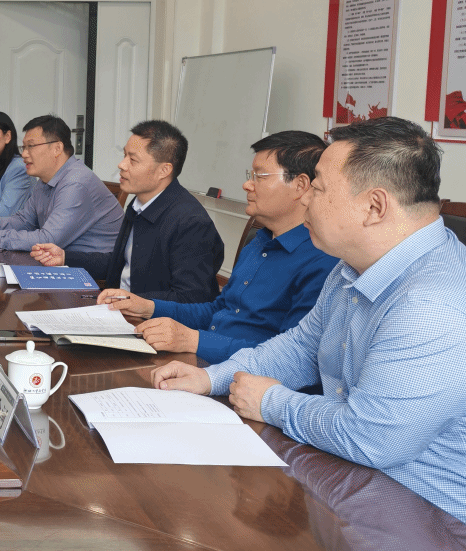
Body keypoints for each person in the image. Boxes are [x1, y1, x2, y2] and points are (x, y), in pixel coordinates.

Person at [151, 117, 466, 523]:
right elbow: (301, 347)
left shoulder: (431, 305)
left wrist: (271, 401)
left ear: (374, 207)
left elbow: (370, 438)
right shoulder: (352, 265)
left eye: (318, 188)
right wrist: (212, 378)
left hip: (422, 515)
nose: (307, 200)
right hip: (348, 481)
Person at [101, 131, 337, 362]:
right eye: (250, 175)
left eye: (260, 176)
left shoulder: (321, 261)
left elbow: (292, 359)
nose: (247, 185)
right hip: (208, 360)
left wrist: (194, 341)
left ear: (300, 185)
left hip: (243, 375)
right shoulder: (260, 242)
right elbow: (218, 310)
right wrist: (148, 307)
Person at [32, 120, 225, 303]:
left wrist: (128, 301)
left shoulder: (191, 223)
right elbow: (122, 263)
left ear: (164, 170)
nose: (122, 165)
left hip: (149, 320)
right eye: (124, 155)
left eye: (133, 160)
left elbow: (191, 299)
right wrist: (65, 257)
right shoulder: (139, 203)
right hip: (118, 308)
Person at [0, 115, 122, 252]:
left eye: (31, 146)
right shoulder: (45, 181)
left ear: (57, 148)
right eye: (23, 147)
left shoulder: (75, 183)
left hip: (90, 272)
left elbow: (48, 239)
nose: (24, 154)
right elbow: (24, 220)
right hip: (58, 260)